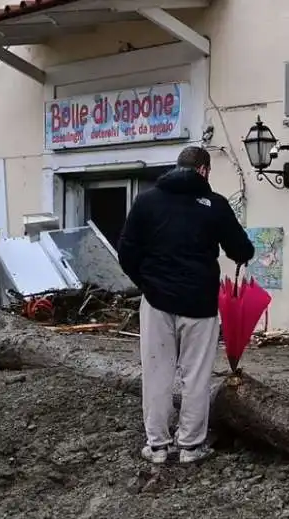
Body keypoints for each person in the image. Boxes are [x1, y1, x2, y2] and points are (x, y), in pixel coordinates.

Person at [117, 146, 255, 464]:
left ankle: (157, 446)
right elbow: (242, 250)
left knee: (156, 372)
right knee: (196, 375)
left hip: (156, 302)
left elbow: (126, 251)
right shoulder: (215, 205)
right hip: (201, 303)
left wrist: (147, 283)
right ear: (204, 170)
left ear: (176, 167)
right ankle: (191, 446)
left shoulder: (146, 201)